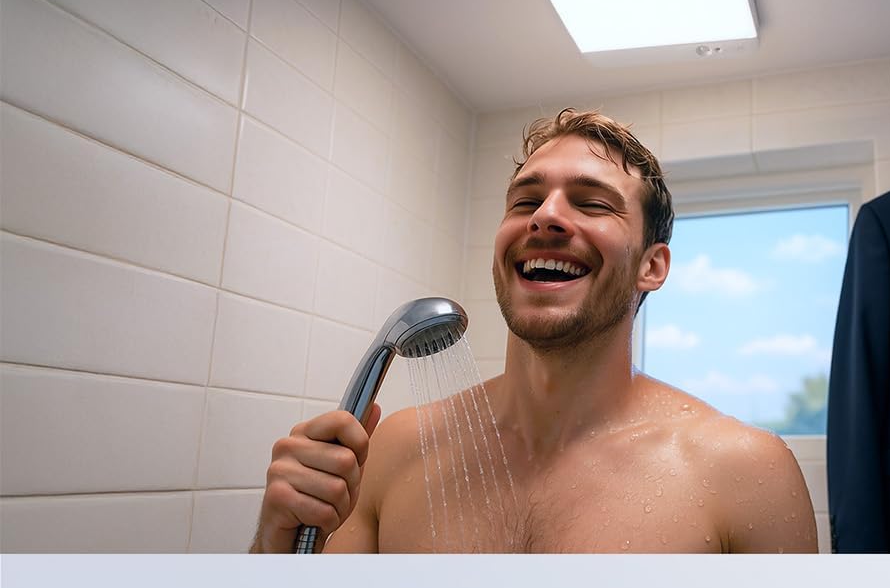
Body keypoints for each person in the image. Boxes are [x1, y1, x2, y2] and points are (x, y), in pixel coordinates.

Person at [251, 110, 816, 553]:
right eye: (525, 200)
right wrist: (274, 548)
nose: (544, 216)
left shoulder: (746, 472)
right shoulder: (393, 450)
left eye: (592, 204)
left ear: (653, 266)